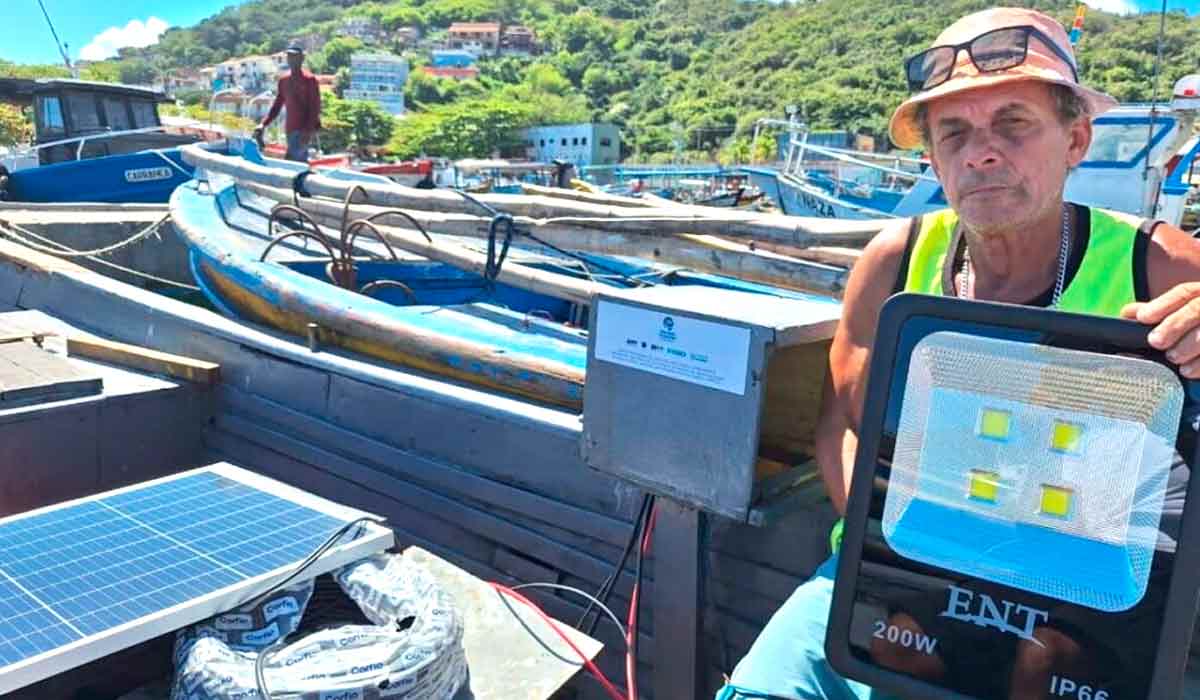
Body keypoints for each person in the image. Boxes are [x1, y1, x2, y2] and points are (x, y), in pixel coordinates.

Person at [716, 7, 1200, 700]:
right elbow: (845, 427)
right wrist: (900, 569)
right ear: (934, 157)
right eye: (955, 133)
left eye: (1013, 123)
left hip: (1082, 587)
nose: (982, 152)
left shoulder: (1157, 266)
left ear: (1076, 140)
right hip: (900, 568)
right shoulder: (895, 262)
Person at [255, 46, 322, 162]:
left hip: (303, 129)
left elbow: (315, 108)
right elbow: (277, 105)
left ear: (302, 59)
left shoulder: (310, 80)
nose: (292, 59)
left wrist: (308, 131)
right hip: (290, 128)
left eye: (295, 57)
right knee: (297, 162)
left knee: (292, 161)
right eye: (289, 57)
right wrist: (263, 124)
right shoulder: (284, 80)